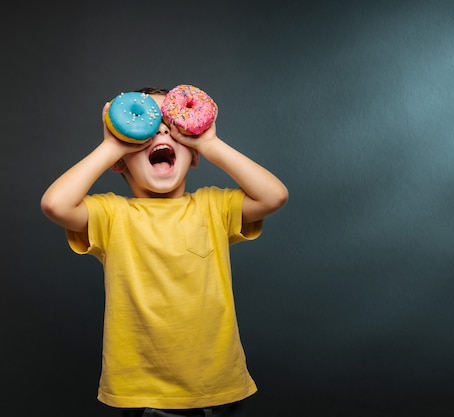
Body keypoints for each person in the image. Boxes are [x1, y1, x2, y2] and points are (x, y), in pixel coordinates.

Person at [40, 87, 289, 417]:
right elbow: (54, 204)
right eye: (147, 125)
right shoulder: (112, 215)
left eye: (172, 127)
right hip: (144, 393)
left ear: (194, 155)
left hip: (218, 385)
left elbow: (274, 196)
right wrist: (111, 145)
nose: (160, 131)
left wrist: (209, 143)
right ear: (119, 163)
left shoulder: (214, 206)